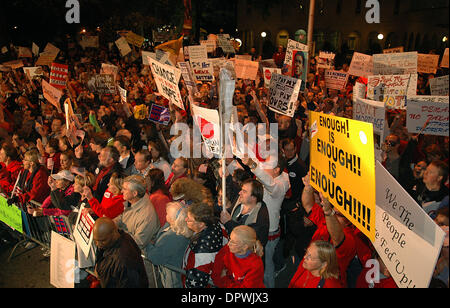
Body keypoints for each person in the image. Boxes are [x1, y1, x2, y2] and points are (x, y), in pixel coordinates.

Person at [240, 154, 290, 288]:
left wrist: (253, 166)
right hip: (260, 227)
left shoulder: (281, 185)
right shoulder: (275, 176)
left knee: (266, 269)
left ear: (277, 170)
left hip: (268, 233)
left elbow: (269, 183)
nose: (263, 166)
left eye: (267, 165)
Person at [145, 202, 192, 288]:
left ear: (173, 219)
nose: (166, 215)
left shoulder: (172, 236)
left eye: (167, 214)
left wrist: (148, 245)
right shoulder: (182, 227)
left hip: (173, 279)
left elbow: (155, 257)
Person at [92, 217, 149, 288]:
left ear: (113, 233)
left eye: (102, 241)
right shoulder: (114, 239)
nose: (98, 244)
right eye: (96, 240)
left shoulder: (124, 260)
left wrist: (99, 272)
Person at [183, 202, 226, 288]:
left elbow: (196, 281)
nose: (185, 220)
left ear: (201, 224)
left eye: (189, 219)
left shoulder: (202, 254)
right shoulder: (217, 224)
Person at [114, 174, 160, 251]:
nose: (121, 191)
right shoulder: (135, 200)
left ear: (135, 193)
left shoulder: (147, 217)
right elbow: (122, 218)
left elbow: (137, 244)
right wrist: (112, 224)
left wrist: (116, 235)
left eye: (125, 189)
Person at [220, 178, 270, 248]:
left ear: (253, 197)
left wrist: (228, 222)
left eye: (244, 191)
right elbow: (229, 213)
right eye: (241, 189)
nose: (239, 193)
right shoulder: (239, 200)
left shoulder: (260, 217)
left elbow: (246, 238)